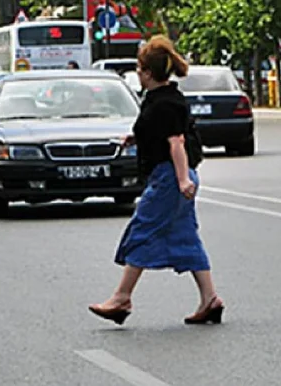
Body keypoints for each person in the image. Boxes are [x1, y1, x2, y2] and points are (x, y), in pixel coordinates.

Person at [88, 35, 225, 324]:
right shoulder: (166, 99)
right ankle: (210, 299)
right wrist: (136, 138)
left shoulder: (163, 104)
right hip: (173, 175)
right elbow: (164, 133)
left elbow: (175, 142)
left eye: (139, 69)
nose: (138, 73)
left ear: (148, 73)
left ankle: (122, 297)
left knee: (142, 229)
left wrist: (182, 180)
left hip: (169, 178)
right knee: (186, 235)